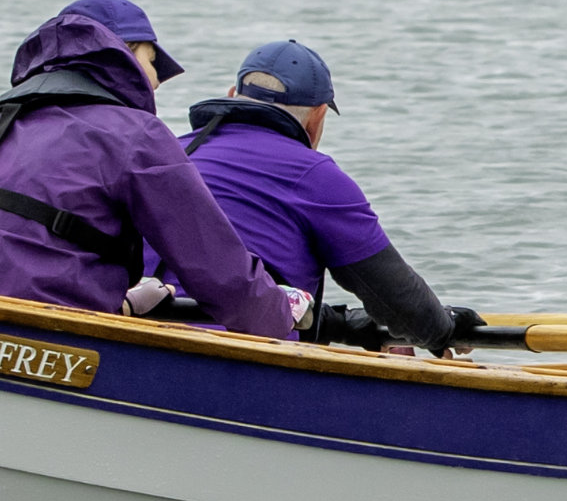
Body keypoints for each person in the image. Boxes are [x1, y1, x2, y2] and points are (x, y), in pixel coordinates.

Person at [0, 0, 293, 338]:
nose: (157, 81)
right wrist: (282, 319)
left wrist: (120, 304)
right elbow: (217, 267)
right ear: (124, 52)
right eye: (151, 60)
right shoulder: (136, 134)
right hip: (40, 339)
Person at [173, 38, 471, 353]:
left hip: (138, 329)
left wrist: (340, 322)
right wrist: (445, 328)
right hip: (242, 353)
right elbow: (401, 304)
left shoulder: (170, 152)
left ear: (232, 96)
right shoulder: (315, 177)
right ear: (318, 117)